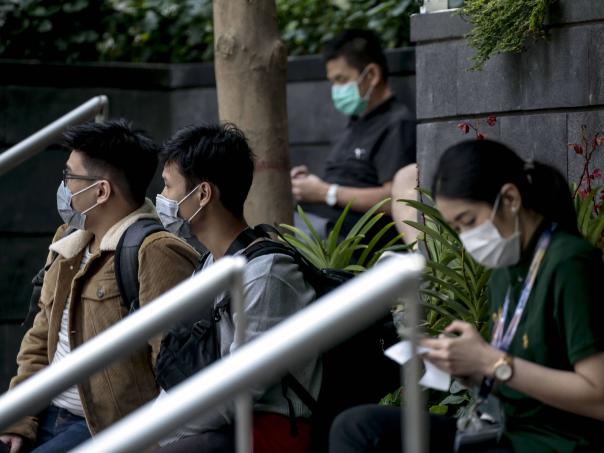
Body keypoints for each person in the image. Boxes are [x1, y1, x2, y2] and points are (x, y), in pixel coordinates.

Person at [329, 139, 604, 452]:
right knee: (357, 427)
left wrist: (492, 362)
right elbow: (513, 374)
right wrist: (470, 368)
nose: (467, 239)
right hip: (501, 429)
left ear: (510, 199)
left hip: (556, 442)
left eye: (469, 221)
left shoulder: (569, 264)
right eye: (456, 228)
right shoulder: (506, 268)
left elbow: (599, 397)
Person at [0, 120, 199, 453]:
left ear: (101, 191)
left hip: (103, 429)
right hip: (45, 413)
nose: (64, 187)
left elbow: (173, 366)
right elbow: (40, 337)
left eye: (70, 177)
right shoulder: (68, 240)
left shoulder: (155, 252)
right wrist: (18, 417)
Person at [153, 123, 321, 453]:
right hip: (222, 426)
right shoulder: (210, 263)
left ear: (202, 194)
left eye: (169, 186)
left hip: (270, 430)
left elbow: (241, 391)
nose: (162, 198)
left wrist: (158, 433)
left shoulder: (266, 273)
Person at [290, 29, 416, 244]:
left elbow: (396, 200)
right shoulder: (355, 123)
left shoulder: (397, 124)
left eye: (341, 79)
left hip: (351, 244)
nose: (336, 89)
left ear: (372, 75)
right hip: (316, 229)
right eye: (332, 81)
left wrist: (325, 192)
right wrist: (310, 185)